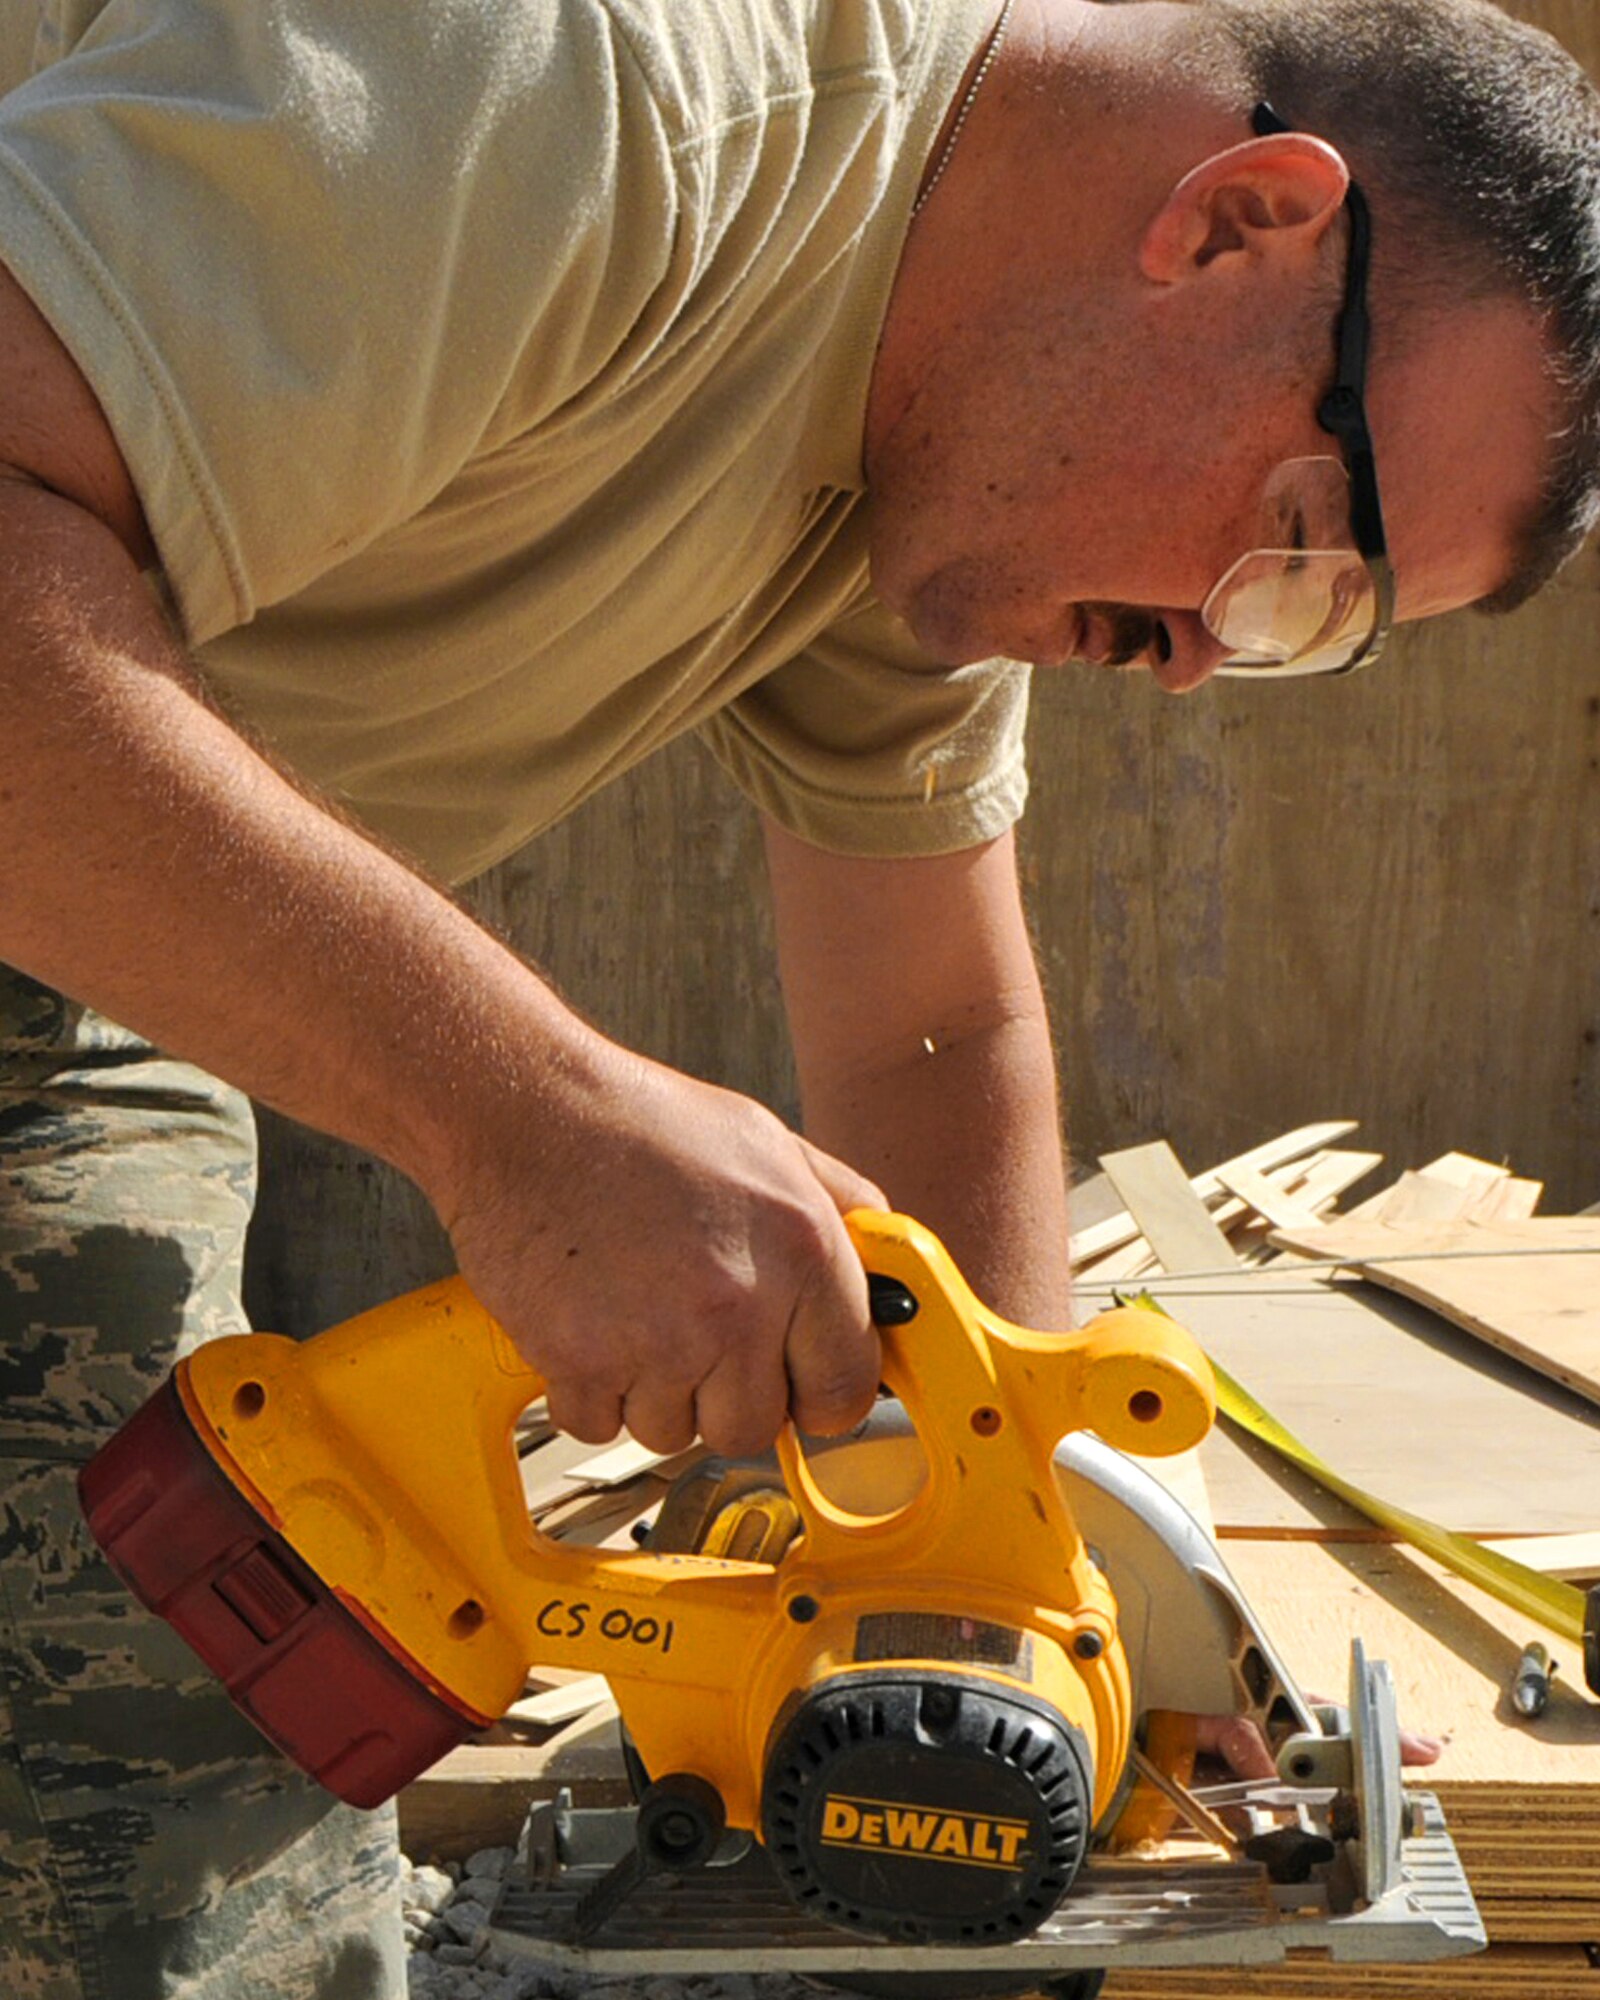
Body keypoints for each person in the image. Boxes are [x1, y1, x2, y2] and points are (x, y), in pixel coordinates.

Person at [0, 0, 1594, 1992]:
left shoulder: (931, 433)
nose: (1206, 656)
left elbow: (934, 1027)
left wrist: (1058, 1595)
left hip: (80, 926)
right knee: (157, 1825)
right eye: (1293, 544)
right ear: (1234, 221)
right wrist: (526, 1116)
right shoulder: (569, 82)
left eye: (1310, 630)